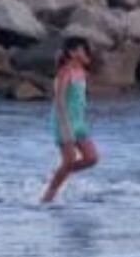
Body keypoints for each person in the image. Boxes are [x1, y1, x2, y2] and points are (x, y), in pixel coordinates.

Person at [40, 37, 100, 204]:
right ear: (72, 52)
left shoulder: (81, 71)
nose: (86, 52)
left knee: (92, 158)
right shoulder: (65, 72)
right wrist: (65, 125)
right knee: (69, 160)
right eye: (82, 49)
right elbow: (59, 99)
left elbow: (79, 99)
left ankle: (59, 173)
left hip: (79, 122)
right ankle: (47, 197)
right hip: (63, 121)